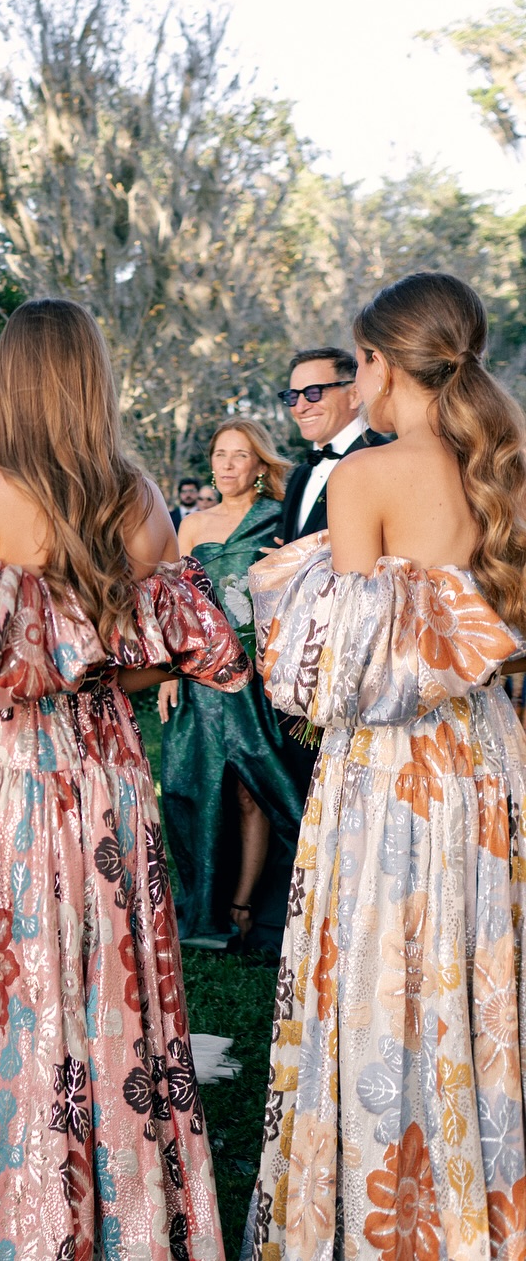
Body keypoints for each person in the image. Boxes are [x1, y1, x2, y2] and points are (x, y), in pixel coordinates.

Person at [0, 299, 248, 1259]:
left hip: (1, 772)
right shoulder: (142, 498)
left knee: (2, 981)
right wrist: (94, 668)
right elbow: (167, 657)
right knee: (109, 976)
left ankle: (9, 1209)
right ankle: (122, 1215)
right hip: (107, 767)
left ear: (13, 384)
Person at [246, 272, 526, 1260]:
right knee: (478, 971)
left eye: (357, 360)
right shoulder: (504, 466)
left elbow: (342, 670)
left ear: (385, 363)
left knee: (378, 977)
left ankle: (383, 1215)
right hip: (487, 757)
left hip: (392, 768)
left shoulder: (367, 476)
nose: (350, 381)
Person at [157, 420, 305, 953]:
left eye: (239, 456)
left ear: (260, 466)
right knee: (191, 787)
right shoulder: (192, 524)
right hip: (202, 677)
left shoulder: (278, 520)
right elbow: (173, 605)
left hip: (260, 678)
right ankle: (205, 905)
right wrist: (170, 674)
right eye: (219, 454)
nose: (225, 465)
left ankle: (247, 907)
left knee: (254, 789)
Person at [275, 346, 382, 545]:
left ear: (354, 395)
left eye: (313, 393)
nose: (300, 407)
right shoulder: (301, 474)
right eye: (292, 396)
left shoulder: (386, 458)